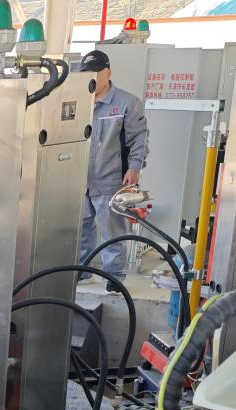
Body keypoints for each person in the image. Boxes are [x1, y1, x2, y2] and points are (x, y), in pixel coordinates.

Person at [78, 49, 149, 284]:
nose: (90, 79)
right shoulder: (78, 101)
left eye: (95, 73)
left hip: (111, 178)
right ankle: (81, 272)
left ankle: (114, 277)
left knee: (112, 230)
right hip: (80, 178)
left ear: (107, 73)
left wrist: (134, 167)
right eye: (86, 74)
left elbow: (139, 139)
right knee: (80, 228)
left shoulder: (127, 103)